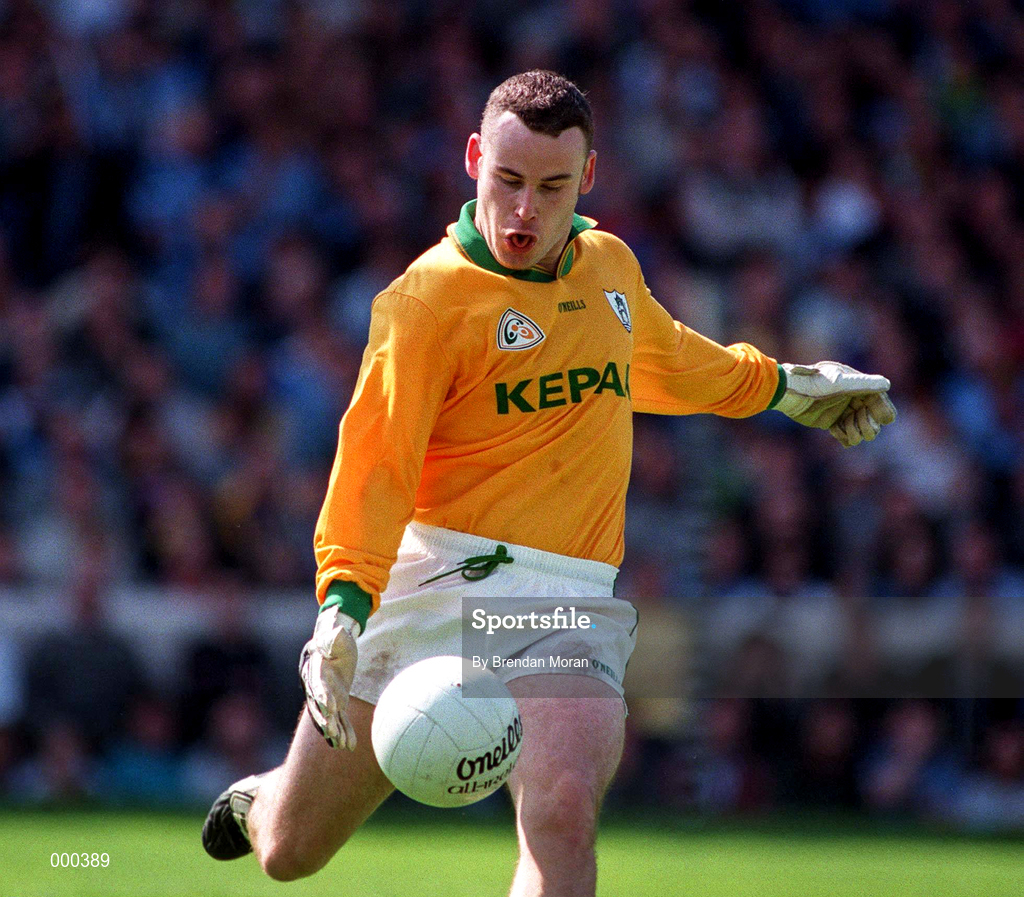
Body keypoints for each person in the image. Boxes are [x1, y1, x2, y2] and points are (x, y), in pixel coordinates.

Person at [201, 71, 896, 895]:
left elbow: (668, 361)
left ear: (588, 179)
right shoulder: (424, 302)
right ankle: (262, 801)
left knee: (561, 809)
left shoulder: (609, 269)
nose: (525, 209)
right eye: (509, 180)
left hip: (562, 604)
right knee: (291, 852)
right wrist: (341, 607)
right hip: (428, 585)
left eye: (552, 186)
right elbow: (375, 463)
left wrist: (786, 385)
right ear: (473, 160)